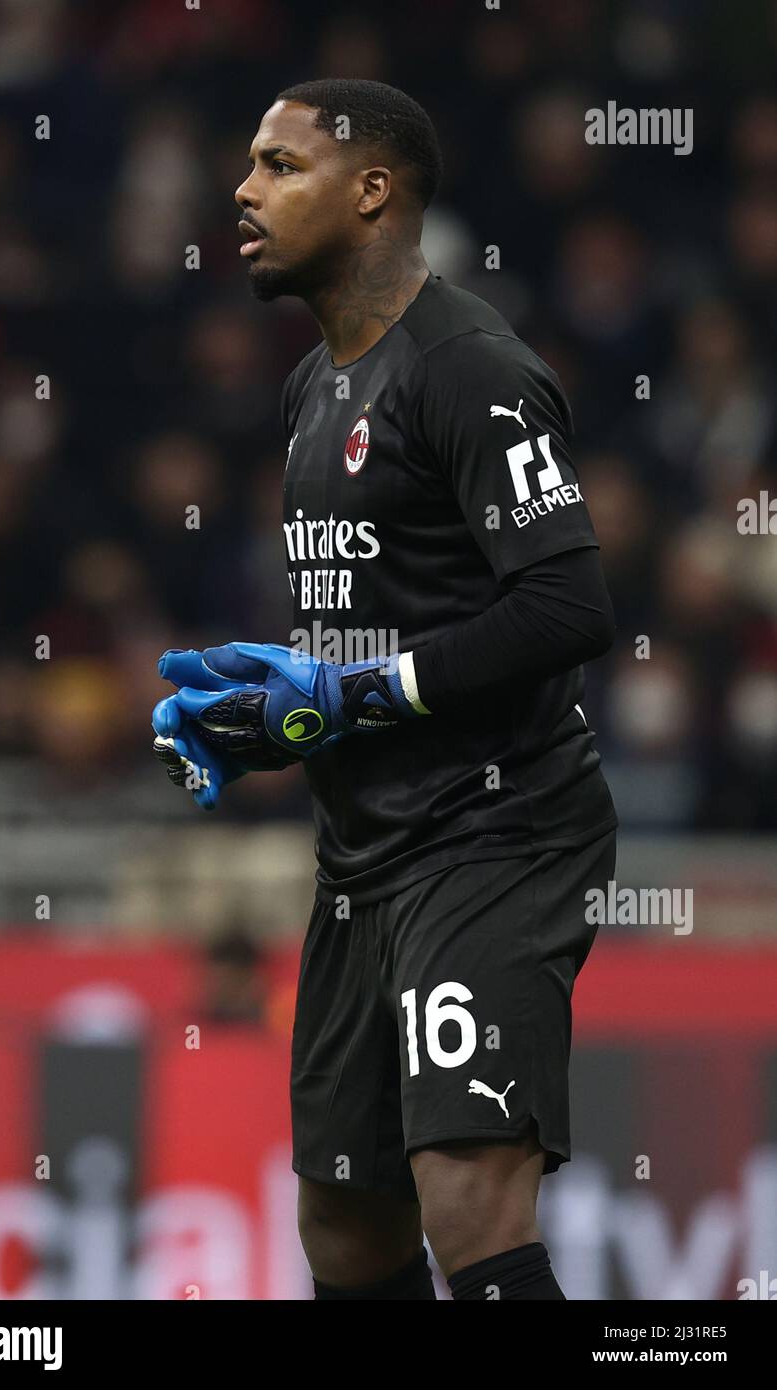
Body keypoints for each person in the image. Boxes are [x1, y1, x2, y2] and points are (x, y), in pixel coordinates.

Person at [152, 79, 617, 1302]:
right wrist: (264, 721)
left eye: (276, 166)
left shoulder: (472, 369)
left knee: (468, 1204)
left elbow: (568, 607)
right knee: (350, 1234)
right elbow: (362, 647)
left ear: (370, 193)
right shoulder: (313, 390)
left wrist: (355, 698)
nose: (241, 191)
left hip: (493, 831)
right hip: (363, 852)